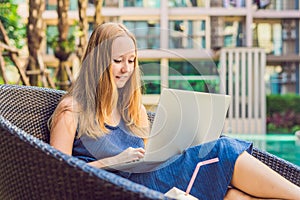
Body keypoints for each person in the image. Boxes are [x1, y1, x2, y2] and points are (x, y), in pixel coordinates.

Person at [49, 22, 300, 199]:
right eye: (118, 61)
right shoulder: (71, 111)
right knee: (222, 148)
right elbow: (55, 178)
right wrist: (115, 161)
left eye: (131, 60)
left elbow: (148, 153)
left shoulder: (127, 108)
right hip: (127, 191)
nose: (126, 69)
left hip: (152, 180)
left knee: (232, 195)